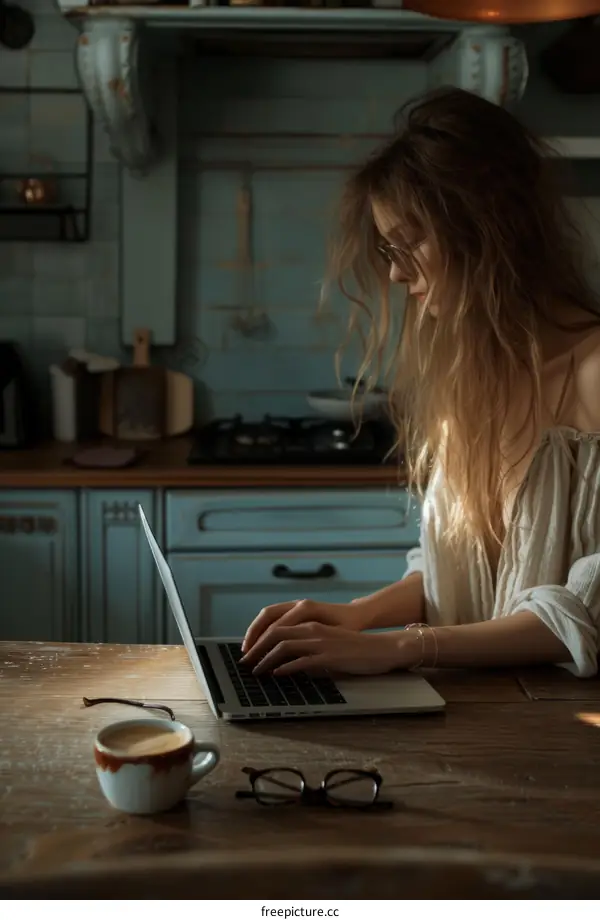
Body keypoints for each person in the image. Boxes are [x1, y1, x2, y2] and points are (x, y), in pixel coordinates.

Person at [241, 86, 600, 680]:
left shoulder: (593, 371)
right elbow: (453, 569)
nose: (394, 271)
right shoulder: (473, 379)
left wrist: (398, 647)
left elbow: (586, 612)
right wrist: (355, 616)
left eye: (409, 243)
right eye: (388, 248)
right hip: (474, 722)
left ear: (490, 228)